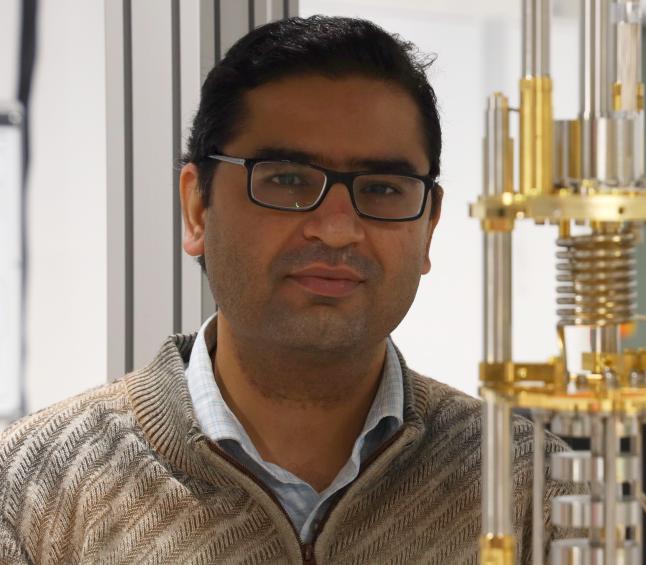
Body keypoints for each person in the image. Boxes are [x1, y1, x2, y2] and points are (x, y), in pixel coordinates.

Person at [0, 16, 568, 564]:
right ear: (197, 207)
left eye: (382, 189)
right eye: (289, 180)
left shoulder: (533, 490)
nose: (337, 229)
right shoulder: (34, 489)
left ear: (429, 226)